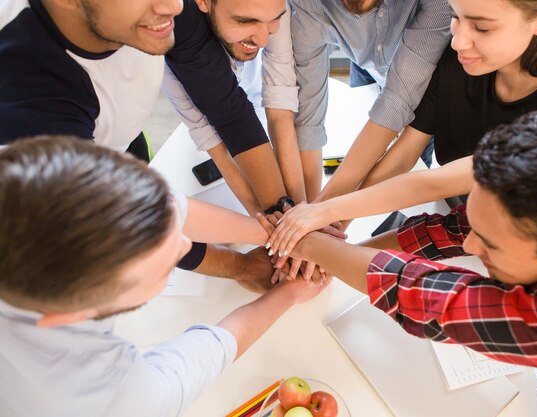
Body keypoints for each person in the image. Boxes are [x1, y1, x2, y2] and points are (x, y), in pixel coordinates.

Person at [259, 107, 537, 417]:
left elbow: (433, 300)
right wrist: (335, 247)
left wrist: (309, 245)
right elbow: (448, 231)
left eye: (491, 245)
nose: (469, 243)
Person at [0, 136, 326, 417]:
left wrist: (275, 234)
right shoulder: (103, 399)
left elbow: (170, 209)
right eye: (161, 265)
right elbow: (197, 360)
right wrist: (287, 294)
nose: (186, 245)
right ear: (71, 316)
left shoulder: (21, 182)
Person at [265, 0, 537, 256]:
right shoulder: (461, 60)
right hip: (451, 217)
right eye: (456, 17)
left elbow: (434, 181)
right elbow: (402, 157)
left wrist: (327, 213)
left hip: (507, 248)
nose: (458, 40)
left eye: (482, 27)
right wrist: (336, 225)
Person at [0, 0, 291, 286]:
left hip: (117, 138)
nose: (175, 6)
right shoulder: (32, 96)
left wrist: (281, 211)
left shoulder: (164, 9)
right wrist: (242, 262)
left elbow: (227, 110)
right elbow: (122, 214)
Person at [290, 0, 452, 200]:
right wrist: (309, 207)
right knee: (358, 137)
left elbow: (398, 102)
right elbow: (308, 121)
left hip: (425, 82)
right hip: (366, 67)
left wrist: (330, 211)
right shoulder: (305, 5)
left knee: (410, 172)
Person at [163, 0, 309, 210]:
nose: (263, 40)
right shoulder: (179, 38)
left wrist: (301, 210)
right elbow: (218, 139)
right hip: (215, 113)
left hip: (253, 98)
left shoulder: (271, 7)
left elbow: (280, 106)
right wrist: (269, 216)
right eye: (245, 21)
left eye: (274, 20)